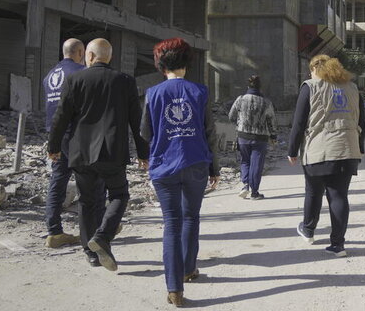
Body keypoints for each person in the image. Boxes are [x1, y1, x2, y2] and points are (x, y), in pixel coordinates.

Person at [48, 38, 148, 271]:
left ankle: (90, 253)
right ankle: (102, 237)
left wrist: (53, 147)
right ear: (109, 57)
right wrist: (144, 153)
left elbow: (61, 117)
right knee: (119, 195)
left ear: (89, 57)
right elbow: (136, 120)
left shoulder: (75, 80)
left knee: (87, 201)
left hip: (81, 152)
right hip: (112, 152)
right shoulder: (125, 81)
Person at [140, 38, 219, 308]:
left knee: (171, 223)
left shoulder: (152, 94)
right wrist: (214, 167)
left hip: (164, 166)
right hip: (196, 162)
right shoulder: (200, 91)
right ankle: (188, 268)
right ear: (187, 62)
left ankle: (175, 288)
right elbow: (210, 132)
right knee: (191, 217)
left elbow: (145, 133)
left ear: (161, 65)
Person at [287, 54, 365, 257]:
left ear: (315, 69)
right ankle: (338, 244)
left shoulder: (310, 86)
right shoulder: (352, 87)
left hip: (319, 150)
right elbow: (361, 120)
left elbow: (299, 122)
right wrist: (360, 146)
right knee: (339, 195)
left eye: (311, 70)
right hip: (348, 149)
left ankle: (308, 229)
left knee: (313, 191)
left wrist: (292, 150)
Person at [42, 38, 85, 249]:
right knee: (89, 179)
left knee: (58, 181)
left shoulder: (50, 75)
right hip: (75, 134)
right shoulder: (80, 72)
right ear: (80, 52)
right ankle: (98, 227)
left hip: (55, 135)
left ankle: (54, 231)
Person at [228, 75, 276, 200]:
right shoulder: (266, 102)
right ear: (260, 87)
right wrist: (273, 136)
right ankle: (255, 192)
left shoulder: (240, 99)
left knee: (245, 161)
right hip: (260, 138)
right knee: (256, 164)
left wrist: (240, 124)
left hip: (243, 136)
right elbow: (271, 121)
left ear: (248, 86)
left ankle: (245, 185)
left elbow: (231, 116)